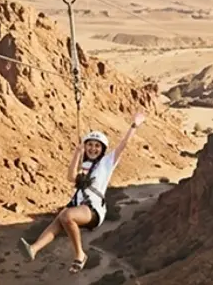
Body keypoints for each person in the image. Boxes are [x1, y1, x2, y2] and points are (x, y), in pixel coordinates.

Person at [20, 111, 145, 272]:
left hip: (93, 210)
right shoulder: (83, 165)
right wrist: (77, 154)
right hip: (79, 205)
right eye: (90, 145)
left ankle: (80, 255)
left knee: (66, 215)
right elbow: (70, 177)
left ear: (102, 149)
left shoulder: (107, 163)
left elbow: (123, 145)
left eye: (97, 146)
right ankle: (33, 249)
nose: (93, 148)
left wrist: (134, 125)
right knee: (59, 220)